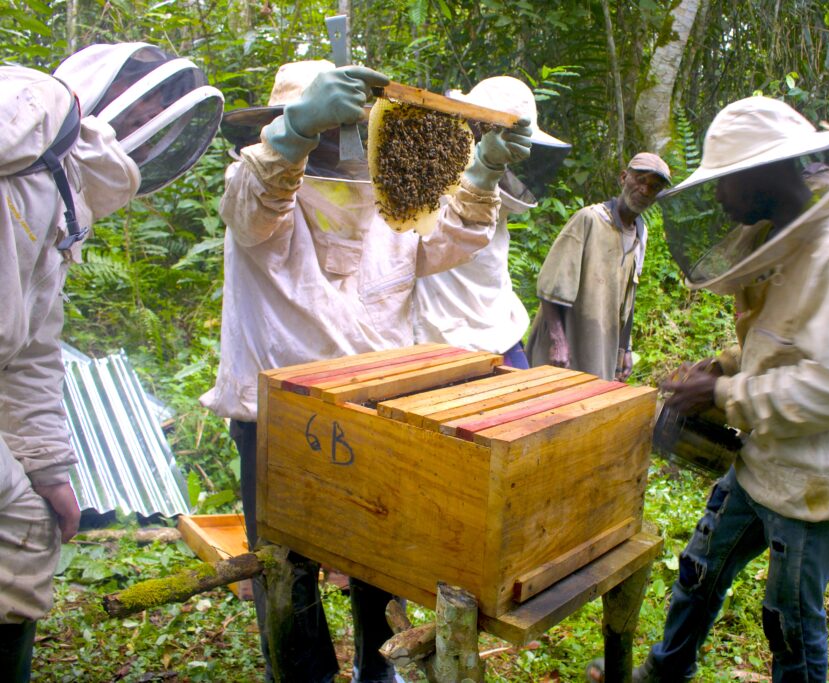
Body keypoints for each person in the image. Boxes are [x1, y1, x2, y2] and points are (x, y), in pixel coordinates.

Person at [201, 60, 531, 683]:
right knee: (285, 565)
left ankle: (378, 674)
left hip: (377, 412)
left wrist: (483, 172)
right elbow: (254, 205)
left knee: (380, 553)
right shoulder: (258, 191)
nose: (340, 140)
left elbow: (450, 242)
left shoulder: (393, 202)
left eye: (346, 127)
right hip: (278, 422)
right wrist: (298, 129)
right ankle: (303, 677)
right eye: (326, 128)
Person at [634, 96, 829, 682]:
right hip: (761, 464)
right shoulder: (784, 243)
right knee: (698, 573)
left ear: (762, 174)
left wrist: (726, 395)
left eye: (726, 182)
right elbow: (778, 347)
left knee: (790, 625)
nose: (721, 197)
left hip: (813, 486)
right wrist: (724, 368)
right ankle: (662, 675)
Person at [0, 45, 222, 683]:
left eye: (160, 112)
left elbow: (32, 354)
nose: (148, 128)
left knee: (23, 525)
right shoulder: (31, 125)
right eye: (141, 104)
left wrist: (48, 470)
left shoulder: (56, 195)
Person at [414, 76, 571, 368]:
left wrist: (488, 167)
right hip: (441, 339)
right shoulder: (430, 174)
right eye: (487, 129)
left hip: (497, 327)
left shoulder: (499, 177)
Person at [525, 152, 671, 381]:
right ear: (623, 178)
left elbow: (626, 301)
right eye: (640, 180)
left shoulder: (640, 234)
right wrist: (558, 342)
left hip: (601, 348)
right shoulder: (589, 220)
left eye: (653, 187)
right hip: (566, 345)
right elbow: (551, 286)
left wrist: (626, 351)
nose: (644, 190)